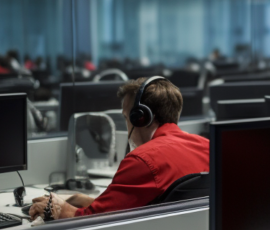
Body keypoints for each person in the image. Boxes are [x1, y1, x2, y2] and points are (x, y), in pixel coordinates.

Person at [29, 77, 210, 220]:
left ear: (141, 117)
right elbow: (156, 202)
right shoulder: (208, 147)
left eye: (126, 116)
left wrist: (59, 208)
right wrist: (92, 201)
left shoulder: (142, 160)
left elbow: (92, 221)